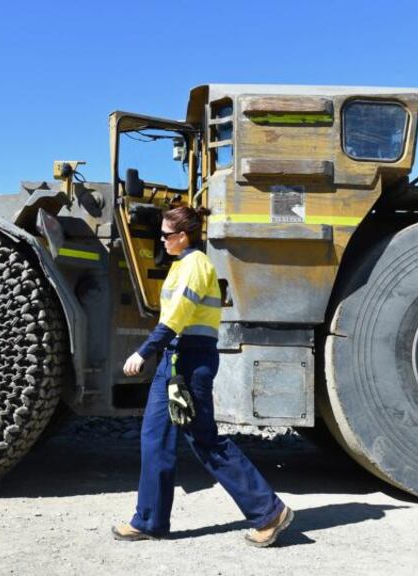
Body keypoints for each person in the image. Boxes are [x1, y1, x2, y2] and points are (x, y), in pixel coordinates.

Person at [112, 205, 294, 547]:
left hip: (190, 361)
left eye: (166, 235)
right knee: (154, 439)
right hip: (176, 359)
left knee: (205, 441)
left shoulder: (195, 265)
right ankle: (149, 520)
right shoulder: (182, 265)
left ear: (183, 236)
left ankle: (269, 512)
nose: (161, 240)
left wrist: (142, 352)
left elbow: (176, 318)